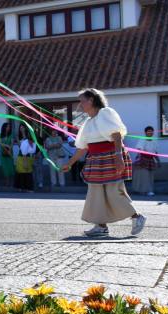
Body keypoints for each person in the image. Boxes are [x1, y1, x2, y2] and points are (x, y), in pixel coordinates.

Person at [62, 88, 146, 237]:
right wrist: (69, 163)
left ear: (91, 100)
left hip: (110, 156)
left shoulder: (105, 113)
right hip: (95, 159)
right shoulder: (88, 122)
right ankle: (101, 226)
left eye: (82, 101)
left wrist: (119, 157)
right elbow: (83, 148)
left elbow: (117, 136)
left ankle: (137, 217)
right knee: (95, 193)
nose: (79, 105)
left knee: (114, 191)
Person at [132, 126, 159, 196]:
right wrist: (142, 158)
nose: (150, 133)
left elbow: (155, 152)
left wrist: (158, 161)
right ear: (145, 132)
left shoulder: (154, 141)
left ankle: (149, 190)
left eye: (151, 131)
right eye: (148, 131)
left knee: (150, 176)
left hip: (151, 160)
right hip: (142, 159)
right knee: (143, 176)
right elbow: (139, 149)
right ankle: (140, 190)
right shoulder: (142, 140)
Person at [14, 128, 35, 192]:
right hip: (22, 157)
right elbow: (23, 152)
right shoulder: (25, 142)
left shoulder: (32, 142)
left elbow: (32, 151)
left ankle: (26, 188)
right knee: (22, 173)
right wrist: (25, 162)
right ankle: (22, 188)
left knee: (27, 173)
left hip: (28, 158)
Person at [0, 123, 15, 188]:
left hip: (10, 153)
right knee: (5, 168)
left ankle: (11, 181)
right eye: (7, 127)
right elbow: (0, 143)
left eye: (9, 127)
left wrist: (10, 149)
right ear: (4, 127)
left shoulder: (11, 135)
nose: (8, 128)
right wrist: (7, 145)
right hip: (2, 154)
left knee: (10, 167)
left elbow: (12, 144)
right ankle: (6, 181)